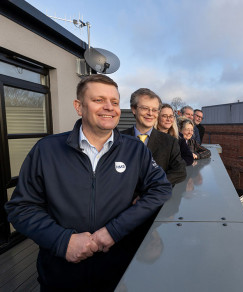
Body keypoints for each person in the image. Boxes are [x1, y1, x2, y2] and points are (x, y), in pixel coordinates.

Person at [5, 75, 172, 291]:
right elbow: (20, 208)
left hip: (119, 274)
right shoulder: (46, 150)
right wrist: (62, 241)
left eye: (114, 102)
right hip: (60, 277)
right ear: (79, 106)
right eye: (98, 100)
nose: (109, 108)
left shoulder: (135, 150)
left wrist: (114, 230)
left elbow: (161, 189)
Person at [121, 89, 186, 185]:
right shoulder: (119, 139)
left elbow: (180, 172)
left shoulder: (169, 142)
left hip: (154, 197)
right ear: (134, 109)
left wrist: (153, 187)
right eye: (145, 108)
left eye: (155, 110)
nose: (150, 113)